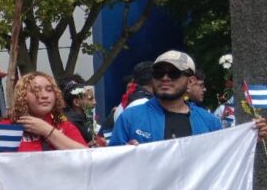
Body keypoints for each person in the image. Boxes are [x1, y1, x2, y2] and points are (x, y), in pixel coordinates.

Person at [110, 50, 266, 144]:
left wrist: (250, 138)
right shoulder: (130, 118)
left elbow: (223, 159)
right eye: (158, 73)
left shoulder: (209, 122)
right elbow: (112, 165)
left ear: (190, 81)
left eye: (174, 73)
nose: (165, 78)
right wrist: (125, 155)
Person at [0, 72, 87, 153]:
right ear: (22, 97)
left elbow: (85, 156)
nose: (44, 95)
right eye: (35, 90)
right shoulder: (2, 129)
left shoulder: (64, 126)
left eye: (49, 90)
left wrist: (47, 130)